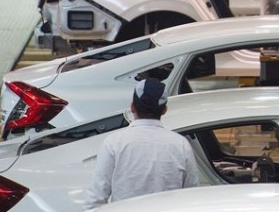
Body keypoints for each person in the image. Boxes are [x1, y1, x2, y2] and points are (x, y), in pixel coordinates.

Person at [82, 79, 198, 209]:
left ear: (132, 107)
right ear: (164, 110)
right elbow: (191, 196)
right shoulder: (181, 145)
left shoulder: (114, 143)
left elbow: (95, 200)